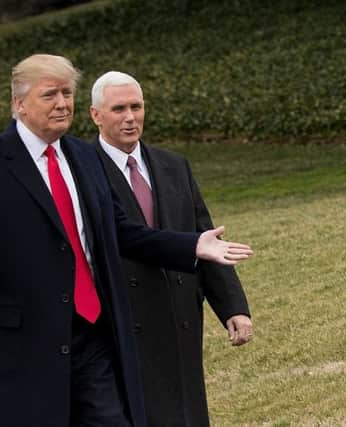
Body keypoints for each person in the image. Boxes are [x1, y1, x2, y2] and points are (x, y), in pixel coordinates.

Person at [0, 54, 253, 427]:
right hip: (23, 342)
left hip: (90, 332)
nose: (63, 103)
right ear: (19, 104)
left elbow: (123, 231)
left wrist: (191, 245)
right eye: (50, 95)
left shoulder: (83, 156)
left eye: (67, 93)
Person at [89, 71, 253, 427]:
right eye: (119, 109)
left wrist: (232, 307)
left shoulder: (174, 166)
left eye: (137, 106)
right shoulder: (84, 172)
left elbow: (204, 237)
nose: (130, 117)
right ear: (95, 115)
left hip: (178, 315)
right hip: (121, 322)